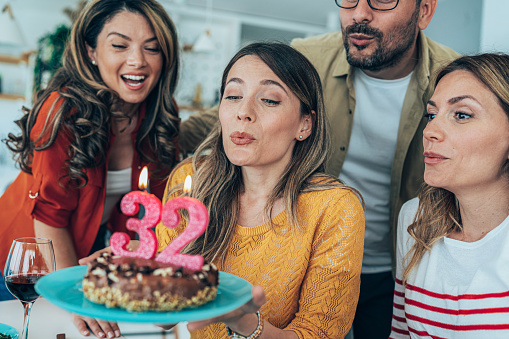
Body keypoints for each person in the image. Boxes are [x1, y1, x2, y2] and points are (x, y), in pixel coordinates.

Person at [156, 42, 365, 339]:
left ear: (305, 124)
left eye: (269, 100)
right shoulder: (189, 181)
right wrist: (139, 275)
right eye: (233, 95)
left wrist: (244, 322)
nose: (243, 112)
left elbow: (318, 334)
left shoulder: (334, 207)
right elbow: (163, 319)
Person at [287, 1, 460, 337]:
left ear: (424, 11)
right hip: (306, 265)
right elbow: (226, 123)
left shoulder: (453, 80)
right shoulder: (306, 60)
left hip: (397, 273)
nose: (359, 14)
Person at [0, 0, 181, 304]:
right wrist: (76, 298)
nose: (137, 60)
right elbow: (49, 218)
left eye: (152, 48)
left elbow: (149, 212)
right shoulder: (62, 111)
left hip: (86, 249)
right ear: (91, 52)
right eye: (120, 46)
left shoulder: (161, 115)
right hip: (20, 259)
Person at [390, 53, 509, 338]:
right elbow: (400, 334)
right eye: (432, 114)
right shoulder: (414, 219)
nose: (430, 131)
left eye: (462, 115)